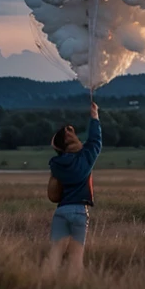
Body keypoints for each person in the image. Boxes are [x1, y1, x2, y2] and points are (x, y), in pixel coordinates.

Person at [44, 101, 102, 279]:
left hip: (61, 211)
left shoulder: (57, 164)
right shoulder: (86, 158)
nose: (71, 132)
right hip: (79, 211)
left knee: (54, 254)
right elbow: (95, 141)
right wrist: (95, 117)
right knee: (76, 257)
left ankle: (44, 284)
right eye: (69, 132)